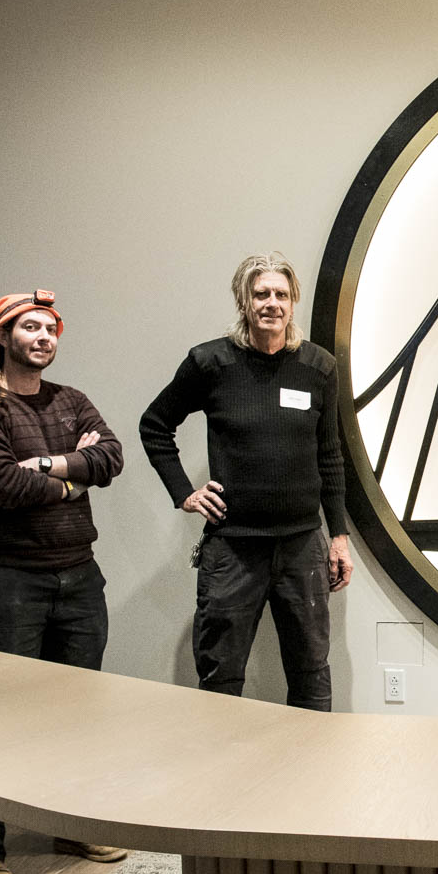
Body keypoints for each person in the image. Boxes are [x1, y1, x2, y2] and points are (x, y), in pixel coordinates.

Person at [0, 289, 128, 874]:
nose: (43, 337)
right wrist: (74, 477)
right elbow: (2, 486)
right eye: (29, 327)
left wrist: (47, 465)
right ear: (3, 336)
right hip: (7, 582)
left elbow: (110, 457)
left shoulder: (70, 400)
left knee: (77, 714)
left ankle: (71, 826)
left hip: (79, 577)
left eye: (50, 328)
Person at [140, 254, 352, 706]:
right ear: (244, 301)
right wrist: (185, 494)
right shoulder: (210, 362)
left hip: (302, 545)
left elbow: (330, 456)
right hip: (232, 548)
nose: (272, 303)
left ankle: (315, 753)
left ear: (293, 302)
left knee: (312, 672)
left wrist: (339, 537)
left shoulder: (318, 366)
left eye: (281, 294)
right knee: (220, 676)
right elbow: (155, 426)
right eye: (261, 294)